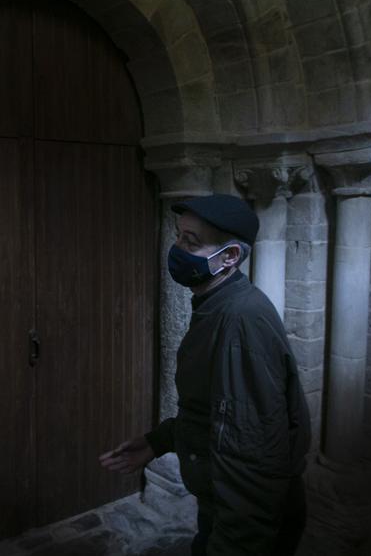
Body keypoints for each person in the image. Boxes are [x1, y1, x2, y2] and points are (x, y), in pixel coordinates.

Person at [99, 194, 311, 556]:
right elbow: (213, 413)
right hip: (220, 504)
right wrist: (159, 441)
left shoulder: (240, 323)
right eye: (179, 236)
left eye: (191, 242)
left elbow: (251, 454)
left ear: (229, 257)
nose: (177, 248)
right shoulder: (217, 306)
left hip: (245, 526)